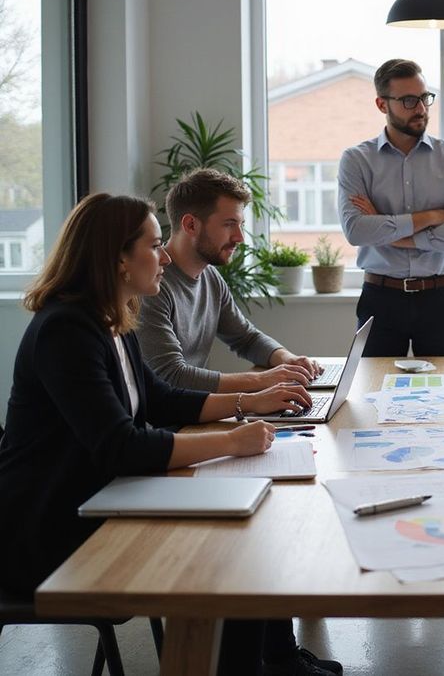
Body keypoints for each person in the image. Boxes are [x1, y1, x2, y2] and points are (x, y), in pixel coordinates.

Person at [0, 193, 342, 676]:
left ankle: (273, 660)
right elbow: (121, 446)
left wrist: (249, 404)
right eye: (154, 245)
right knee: (227, 553)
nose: (164, 257)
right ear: (117, 258)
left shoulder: (111, 320)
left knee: (247, 528)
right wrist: (232, 440)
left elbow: (160, 398)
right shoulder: (65, 331)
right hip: (50, 531)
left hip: (104, 499)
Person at [337, 58, 444, 357]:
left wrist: (392, 231)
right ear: (381, 104)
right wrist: (430, 217)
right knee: (374, 394)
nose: (421, 109)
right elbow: (357, 230)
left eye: (425, 98)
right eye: (409, 101)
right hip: (380, 298)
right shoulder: (356, 160)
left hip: (440, 297)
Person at [138, 168, 321, 396]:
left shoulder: (210, 277)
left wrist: (288, 359)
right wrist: (263, 381)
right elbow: (172, 375)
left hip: (196, 415)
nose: (240, 237)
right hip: (170, 426)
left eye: (240, 224)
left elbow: (245, 338)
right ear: (191, 225)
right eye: (229, 224)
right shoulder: (151, 286)